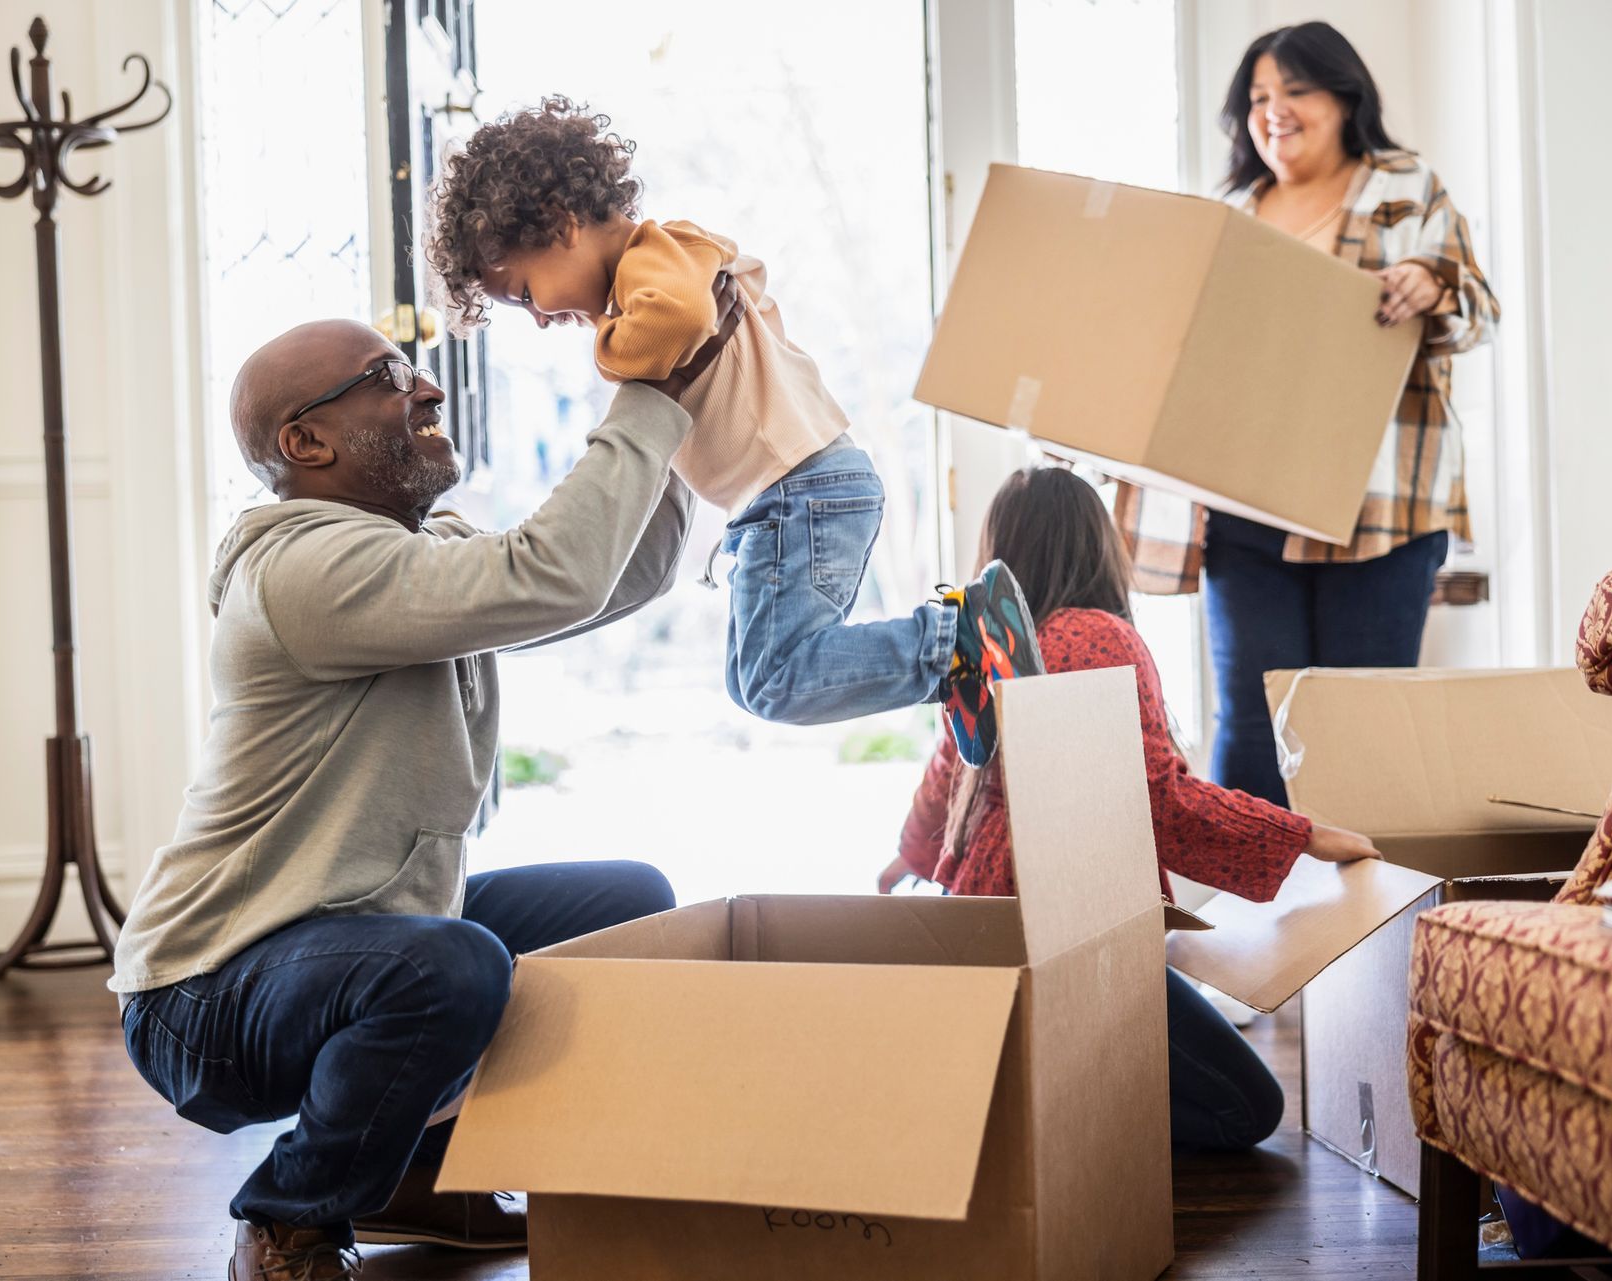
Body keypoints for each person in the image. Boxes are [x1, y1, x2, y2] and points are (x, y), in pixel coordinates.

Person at [111, 301, 740, 1281]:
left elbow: (618, 579)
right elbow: (555, 575)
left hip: (355, 929)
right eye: (386, 379)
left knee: (629, 908)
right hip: (206, 991)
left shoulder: (414, 549)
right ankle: (290, 1214)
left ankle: (423, 1171)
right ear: (305, 440)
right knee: (446, 970)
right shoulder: (304, 570)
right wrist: (646, 394)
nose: (429, 387)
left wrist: (677, 392)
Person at [426, 96, 1042, 769]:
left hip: (799, 488)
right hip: (796, 491)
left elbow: (681, 319)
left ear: (562, 223)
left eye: (522, 292)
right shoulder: (651, 272)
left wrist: (607, 350)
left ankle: (955, 641)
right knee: (757, 681)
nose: (539, 318)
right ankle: (958, 665)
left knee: (774, 677)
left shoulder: (656, 256)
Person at [886, 466, 1381, 1150]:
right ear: (1097, 545)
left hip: (990, 933)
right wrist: (1303, 835)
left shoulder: (983, 646)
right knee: (1250, 1107)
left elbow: (948, 767)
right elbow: (1158, 798)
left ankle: (1014, 1091)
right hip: (1072, 941)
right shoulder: (1100, 637)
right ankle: (1035, 1118)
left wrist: (908, 856)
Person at [1113, 21, 1499, 808]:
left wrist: (1434, 284)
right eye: (1257, 97)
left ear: (1345, 96)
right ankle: (1254, 919)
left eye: (1295, 90)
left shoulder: (1405, 185)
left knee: (1362, 727)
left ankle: (1368, 917)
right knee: (1253, 723)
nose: (1273, 111)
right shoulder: (1229, 208)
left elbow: (1481, 311)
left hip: (1380, 506)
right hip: (1245, 504)